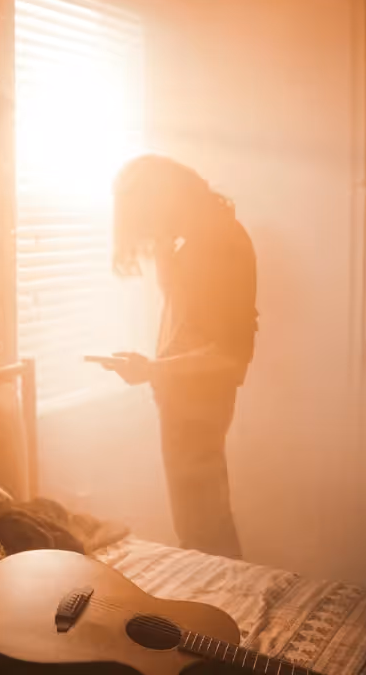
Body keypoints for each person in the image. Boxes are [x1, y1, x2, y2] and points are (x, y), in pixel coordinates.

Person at [98, 155, 257, 559]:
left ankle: (222, 596)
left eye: (146, 220)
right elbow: (188, 318)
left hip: (198, 403)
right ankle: (220, 591)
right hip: (185, 399)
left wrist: (152, 369)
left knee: (203, 528)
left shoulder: (216, 245)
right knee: (198, 524)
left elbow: (229, 354)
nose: (147, 233)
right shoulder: (198, 240)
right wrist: (166, 255)